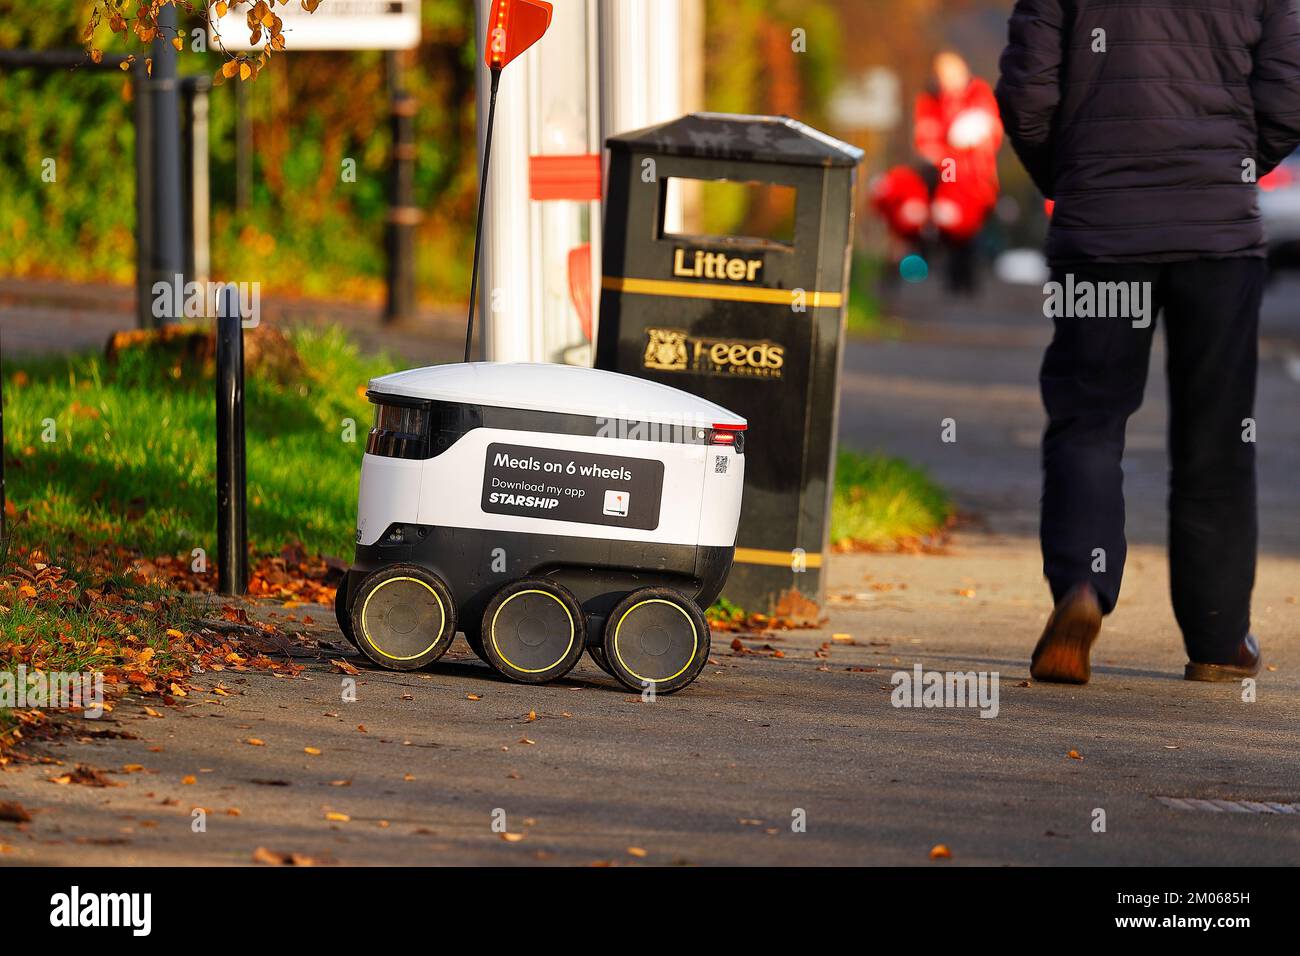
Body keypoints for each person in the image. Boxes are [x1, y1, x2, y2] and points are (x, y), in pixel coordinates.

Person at [996, 1, 1300, 683]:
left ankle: (1081, 586)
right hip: (1218, 240)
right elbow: (1288, 89)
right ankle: (1219, 640)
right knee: (1219, 437)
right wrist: (1228, 169)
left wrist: (1072, 177)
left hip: (1100, 236)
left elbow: (1028, 90)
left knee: (1088, 419)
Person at [914, 51, 1002, 293]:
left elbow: (987, 129)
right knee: (947, 222)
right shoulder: (931, 99)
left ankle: (968, 278)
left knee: (972, 227)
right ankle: (952, 279)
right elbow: (926, 136)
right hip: (946, 172)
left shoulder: (978, 94)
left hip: (975, 176)